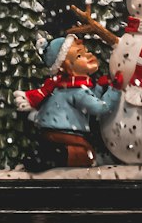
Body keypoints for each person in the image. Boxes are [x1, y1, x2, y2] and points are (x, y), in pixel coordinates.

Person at [15, 34, 122, 169]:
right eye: (79, 56)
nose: (89, 55)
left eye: (85, 51)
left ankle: (46, 156)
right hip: (63, 134)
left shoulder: (68, 87)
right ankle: (49, 159)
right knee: (85, 156)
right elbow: (100, 108)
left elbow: (88, 100)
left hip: (51, 131)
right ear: (68, 66)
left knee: (81, 154)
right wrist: (115, 89)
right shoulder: (76, 90)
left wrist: (99, 88)